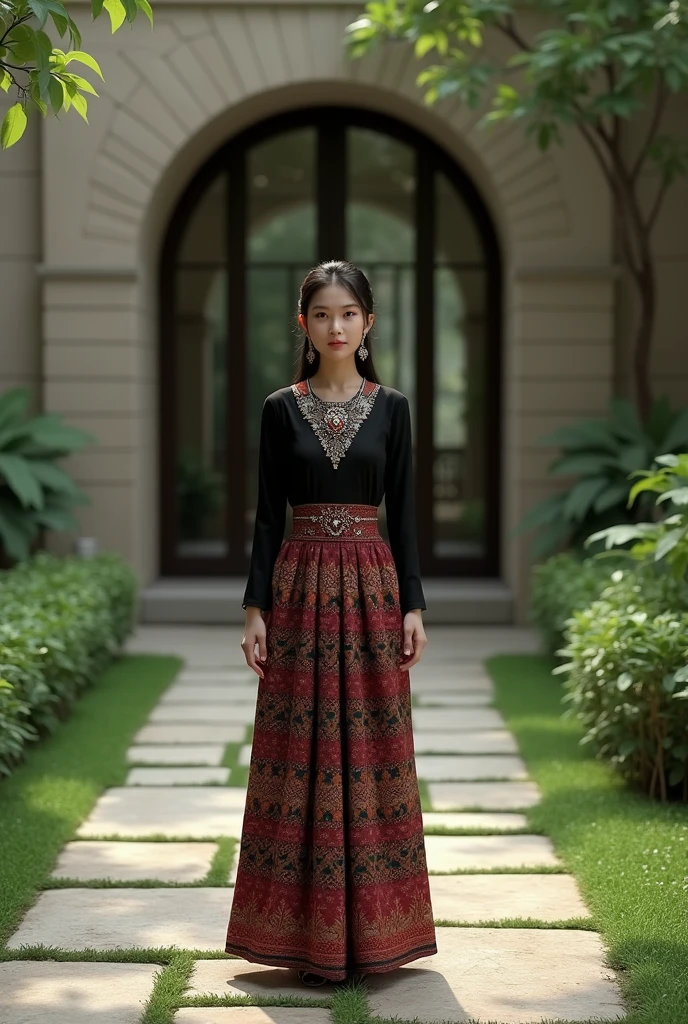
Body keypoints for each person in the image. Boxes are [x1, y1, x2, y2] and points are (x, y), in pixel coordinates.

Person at [225, 260, 437, 987]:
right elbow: (262, 517)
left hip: (374, 588)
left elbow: (406, 516)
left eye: (349, 314)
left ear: (368, 323)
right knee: (300, 750)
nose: (336, 326)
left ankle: (378, 935)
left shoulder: (395, 409)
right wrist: (256, 608)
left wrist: (413, 604)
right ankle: (296, 935)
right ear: (303, 324)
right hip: (300, 588)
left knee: (373, 749)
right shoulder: (279, 409)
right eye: (322, 315)